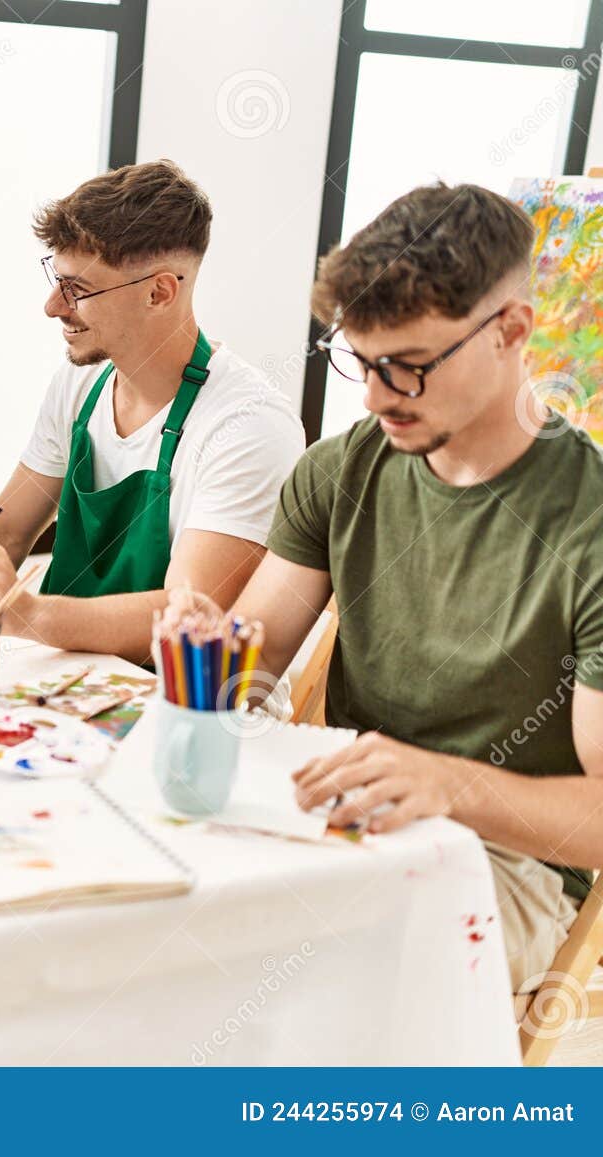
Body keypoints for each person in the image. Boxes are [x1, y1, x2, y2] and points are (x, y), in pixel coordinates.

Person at [171, 182, 602, 993]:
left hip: (501, 865)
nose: (372, 398)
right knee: (158, 926)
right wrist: (208, 654)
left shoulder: (590, 527)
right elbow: (250, 673)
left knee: (312, 980)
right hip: (339, 817)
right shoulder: (342, 469)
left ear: (512, 331)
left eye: (406, 368)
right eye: (360, 362)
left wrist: (449, 783)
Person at [0, 161, 304, 662]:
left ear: (159, 292)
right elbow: (7, 532)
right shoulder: (78, 384)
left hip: (177, 702)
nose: (53, 306)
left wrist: (29, 613)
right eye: (57, 280)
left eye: (77, 288)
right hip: (65, 677)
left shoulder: (249, 426)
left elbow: (186, 617)